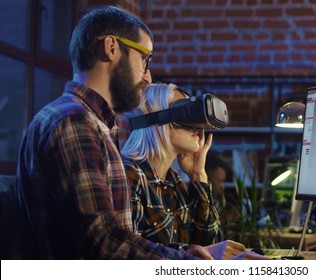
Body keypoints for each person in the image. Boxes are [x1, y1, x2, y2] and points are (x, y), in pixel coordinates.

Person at [15, 5, 265, 260]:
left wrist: (194, 256)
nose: (148, 77)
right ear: (111, 47)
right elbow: (104, 242)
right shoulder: (74, 122)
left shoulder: (89, 123)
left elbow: (118, 242)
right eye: (145, 59)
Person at [121, 83, 257, 259]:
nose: (196, 124)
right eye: (185, 112)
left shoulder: (174, 182)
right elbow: (127, 255)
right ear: (158, 119)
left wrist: (198, 175)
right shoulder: (128, 174)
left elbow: (208, 245)